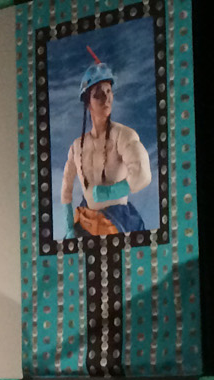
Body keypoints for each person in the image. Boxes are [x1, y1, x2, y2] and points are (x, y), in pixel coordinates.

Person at [54, 48, 153, 239]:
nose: (106, 98)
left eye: (108, 91)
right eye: (98, 94)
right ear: (87, 103)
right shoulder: (77, 146)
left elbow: (143, 174)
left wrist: (111, 192)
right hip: (85, 220)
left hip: (117, 221)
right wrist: (68, 223)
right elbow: (66, 187)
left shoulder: (123, 136)